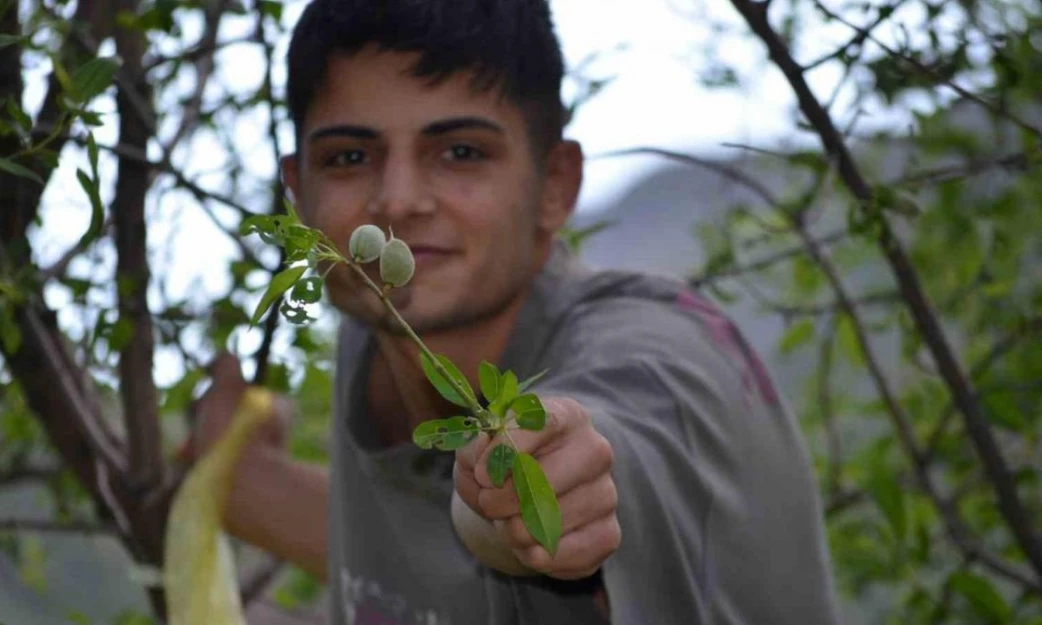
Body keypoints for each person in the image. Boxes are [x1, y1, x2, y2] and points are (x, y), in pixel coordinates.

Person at [186, 1, 843, 623]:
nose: (397, 200)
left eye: (461, 151)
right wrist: (239, 480)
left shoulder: (672, 346)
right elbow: (421, 554)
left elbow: (606, 447)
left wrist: (526, 490)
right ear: (298, 193)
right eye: (350, 157)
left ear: (555, 183)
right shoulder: (377, 330)